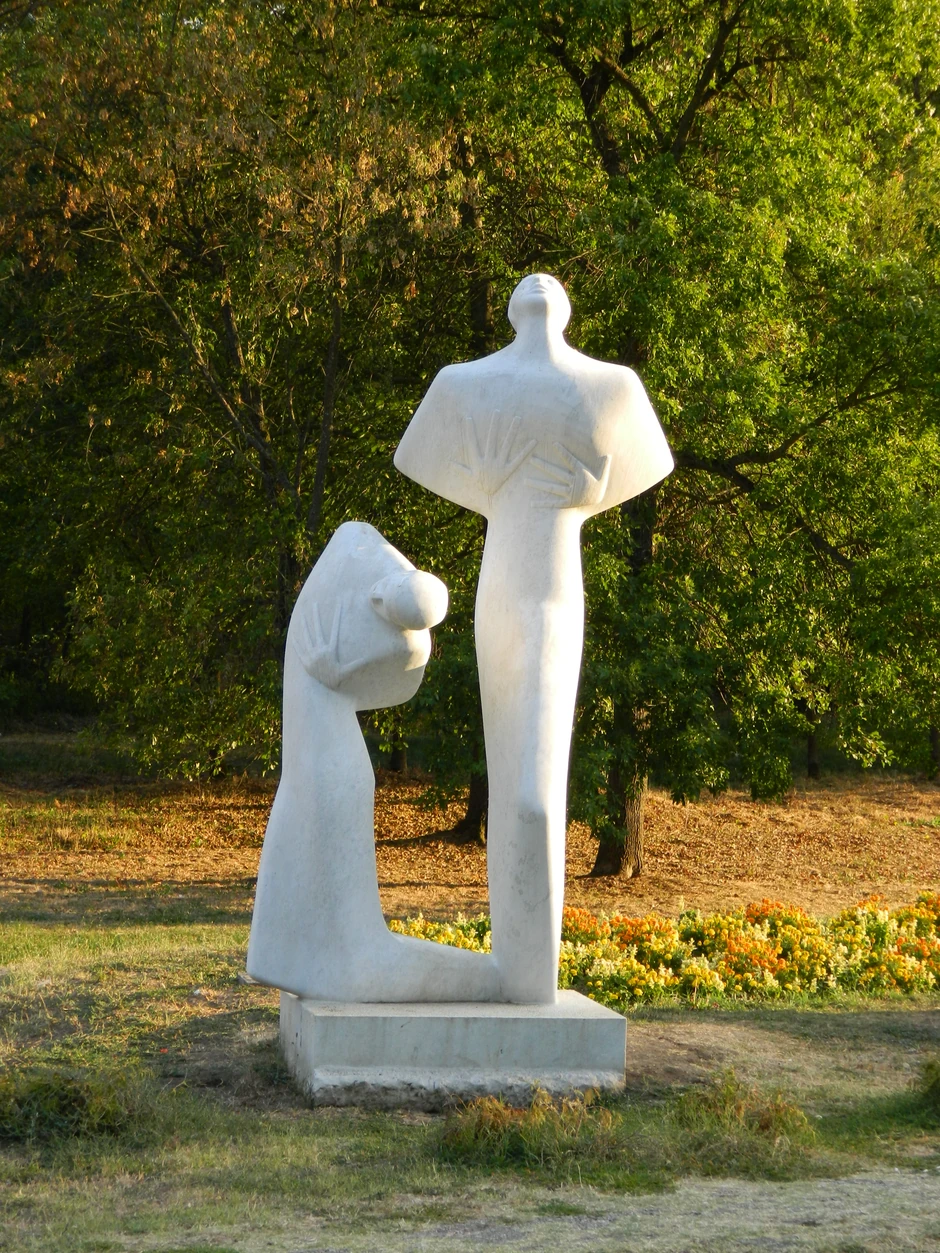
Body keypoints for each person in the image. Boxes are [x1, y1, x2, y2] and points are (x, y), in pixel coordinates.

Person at [395, 274, 673, 1003]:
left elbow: (648, 462)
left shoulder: (614, 388)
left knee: (536, 791)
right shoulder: (462, 385)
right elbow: (417, 454)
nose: (540, 288)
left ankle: (531, 981)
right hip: (500, 597)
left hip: (556, 598)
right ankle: (520, 975)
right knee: (510, 766)